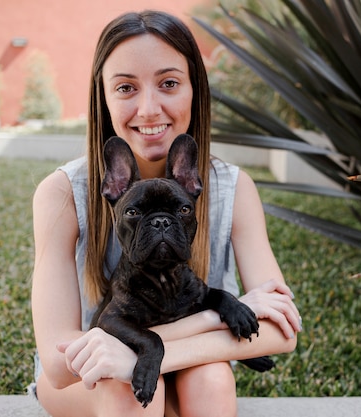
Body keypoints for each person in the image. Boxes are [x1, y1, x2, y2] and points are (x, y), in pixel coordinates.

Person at [30, 10, 301, 417]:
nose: (149, 108)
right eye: (125, 87)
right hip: (86, 378)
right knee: (131, 391)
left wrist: (148, 356)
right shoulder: (63, 192)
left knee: (209, 380)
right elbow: (57, 364)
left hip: (183, 366)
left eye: (169, 83)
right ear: (102, 96)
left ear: (196, 89)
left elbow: (282, 331)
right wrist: (208, 321)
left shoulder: (231, 187)